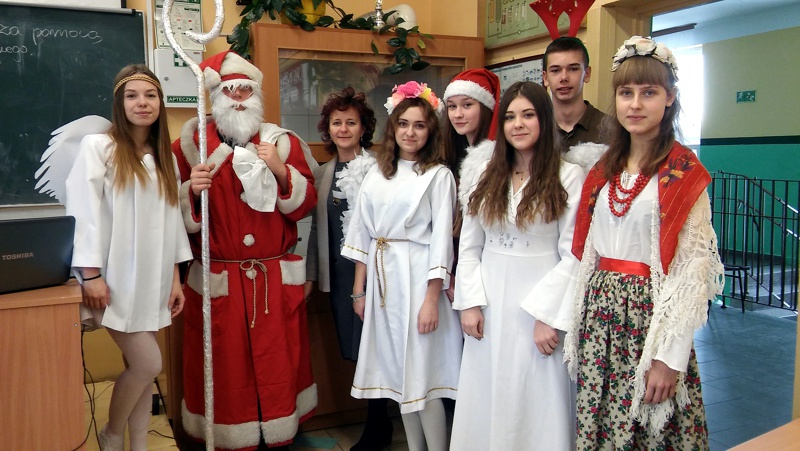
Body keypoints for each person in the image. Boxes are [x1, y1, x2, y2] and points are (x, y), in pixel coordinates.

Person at [564, 36, 724, 450]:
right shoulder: (603, 169)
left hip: (650, 320)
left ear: (669, 98)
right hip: (601, 320)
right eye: (626, 93)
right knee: (603, 427)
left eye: (648, 93)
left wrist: (669, 358)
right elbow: (586, 255)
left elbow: (692, 271)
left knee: (653, 430)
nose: (635, 104)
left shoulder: (683, 172)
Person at [173, 51, 318, 450]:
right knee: (226, 367)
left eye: (245, 90)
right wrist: (190, 193)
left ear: (256, 95)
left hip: (272, 281)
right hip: (220, 280)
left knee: (278, 361)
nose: (237, 97)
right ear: (215, 96)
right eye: (229, 90)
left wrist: (281, 171)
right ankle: (228, 438)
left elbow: (306, 204)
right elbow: (166, 217)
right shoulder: (189, 147)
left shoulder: (282, 143)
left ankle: (279, 435)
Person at [450, 81, 583, 450]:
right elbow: (470, 246)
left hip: (539, 309)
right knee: (486, 393)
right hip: (489, 305)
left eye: (528, 115)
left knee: (536, 398)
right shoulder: (485, 174)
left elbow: (574, 253)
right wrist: (470, 303)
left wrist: (547, 317)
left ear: (544, 120)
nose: (518, 124)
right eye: (510, 117)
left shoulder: (568, 176)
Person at [65, 64, 192, 451]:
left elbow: (172, 221)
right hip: (114, 280)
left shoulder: (164, 158)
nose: (142, 103)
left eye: (150, 95)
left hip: (153, 280)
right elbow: (83, 212)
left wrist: (175, 280)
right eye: (132, 96)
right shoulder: (99, 148)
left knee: (139, 369)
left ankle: (138, 445)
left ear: (160, 103)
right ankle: (111, 433)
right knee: (148, 364)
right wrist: (90, 275)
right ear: (120, 103)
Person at [341, 81, 462, 451]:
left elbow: (441, 242)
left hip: (418, 279)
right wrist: (359, 291)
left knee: (421, 377)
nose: (410, 132)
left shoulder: (438, 176)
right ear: (393, 128)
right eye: (404, 124)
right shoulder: (378, 172)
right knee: (398, 378)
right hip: (384, 284)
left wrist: (431, 300)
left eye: (419, 125)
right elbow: (362, 232)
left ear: (430, 131)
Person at [303, 87, 390, 450]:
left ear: (363, 128)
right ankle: (379, 422)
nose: (343, 129)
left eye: (351, 122)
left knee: (376, 350)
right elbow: (314, 231)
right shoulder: (322, 174)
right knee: (355, 350)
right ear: (328, 128)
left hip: (373, 276)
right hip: (339, 277)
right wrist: (310, 276)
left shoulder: (379, 170)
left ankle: (378, 427)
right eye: (337, 122)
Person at [441, 68, 501, 301]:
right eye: (452, 106)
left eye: (467, 105)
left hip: (485, 265)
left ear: (485, 108)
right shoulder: (449, 156)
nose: (458, 114)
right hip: (452, 265)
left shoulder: (495, 160)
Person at [543, 36, 610, 148]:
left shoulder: (612, 129)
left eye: (573, 69)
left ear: (587, 74)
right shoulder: (536, 127)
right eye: (555, 70)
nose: (564, 77)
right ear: (545, 78)